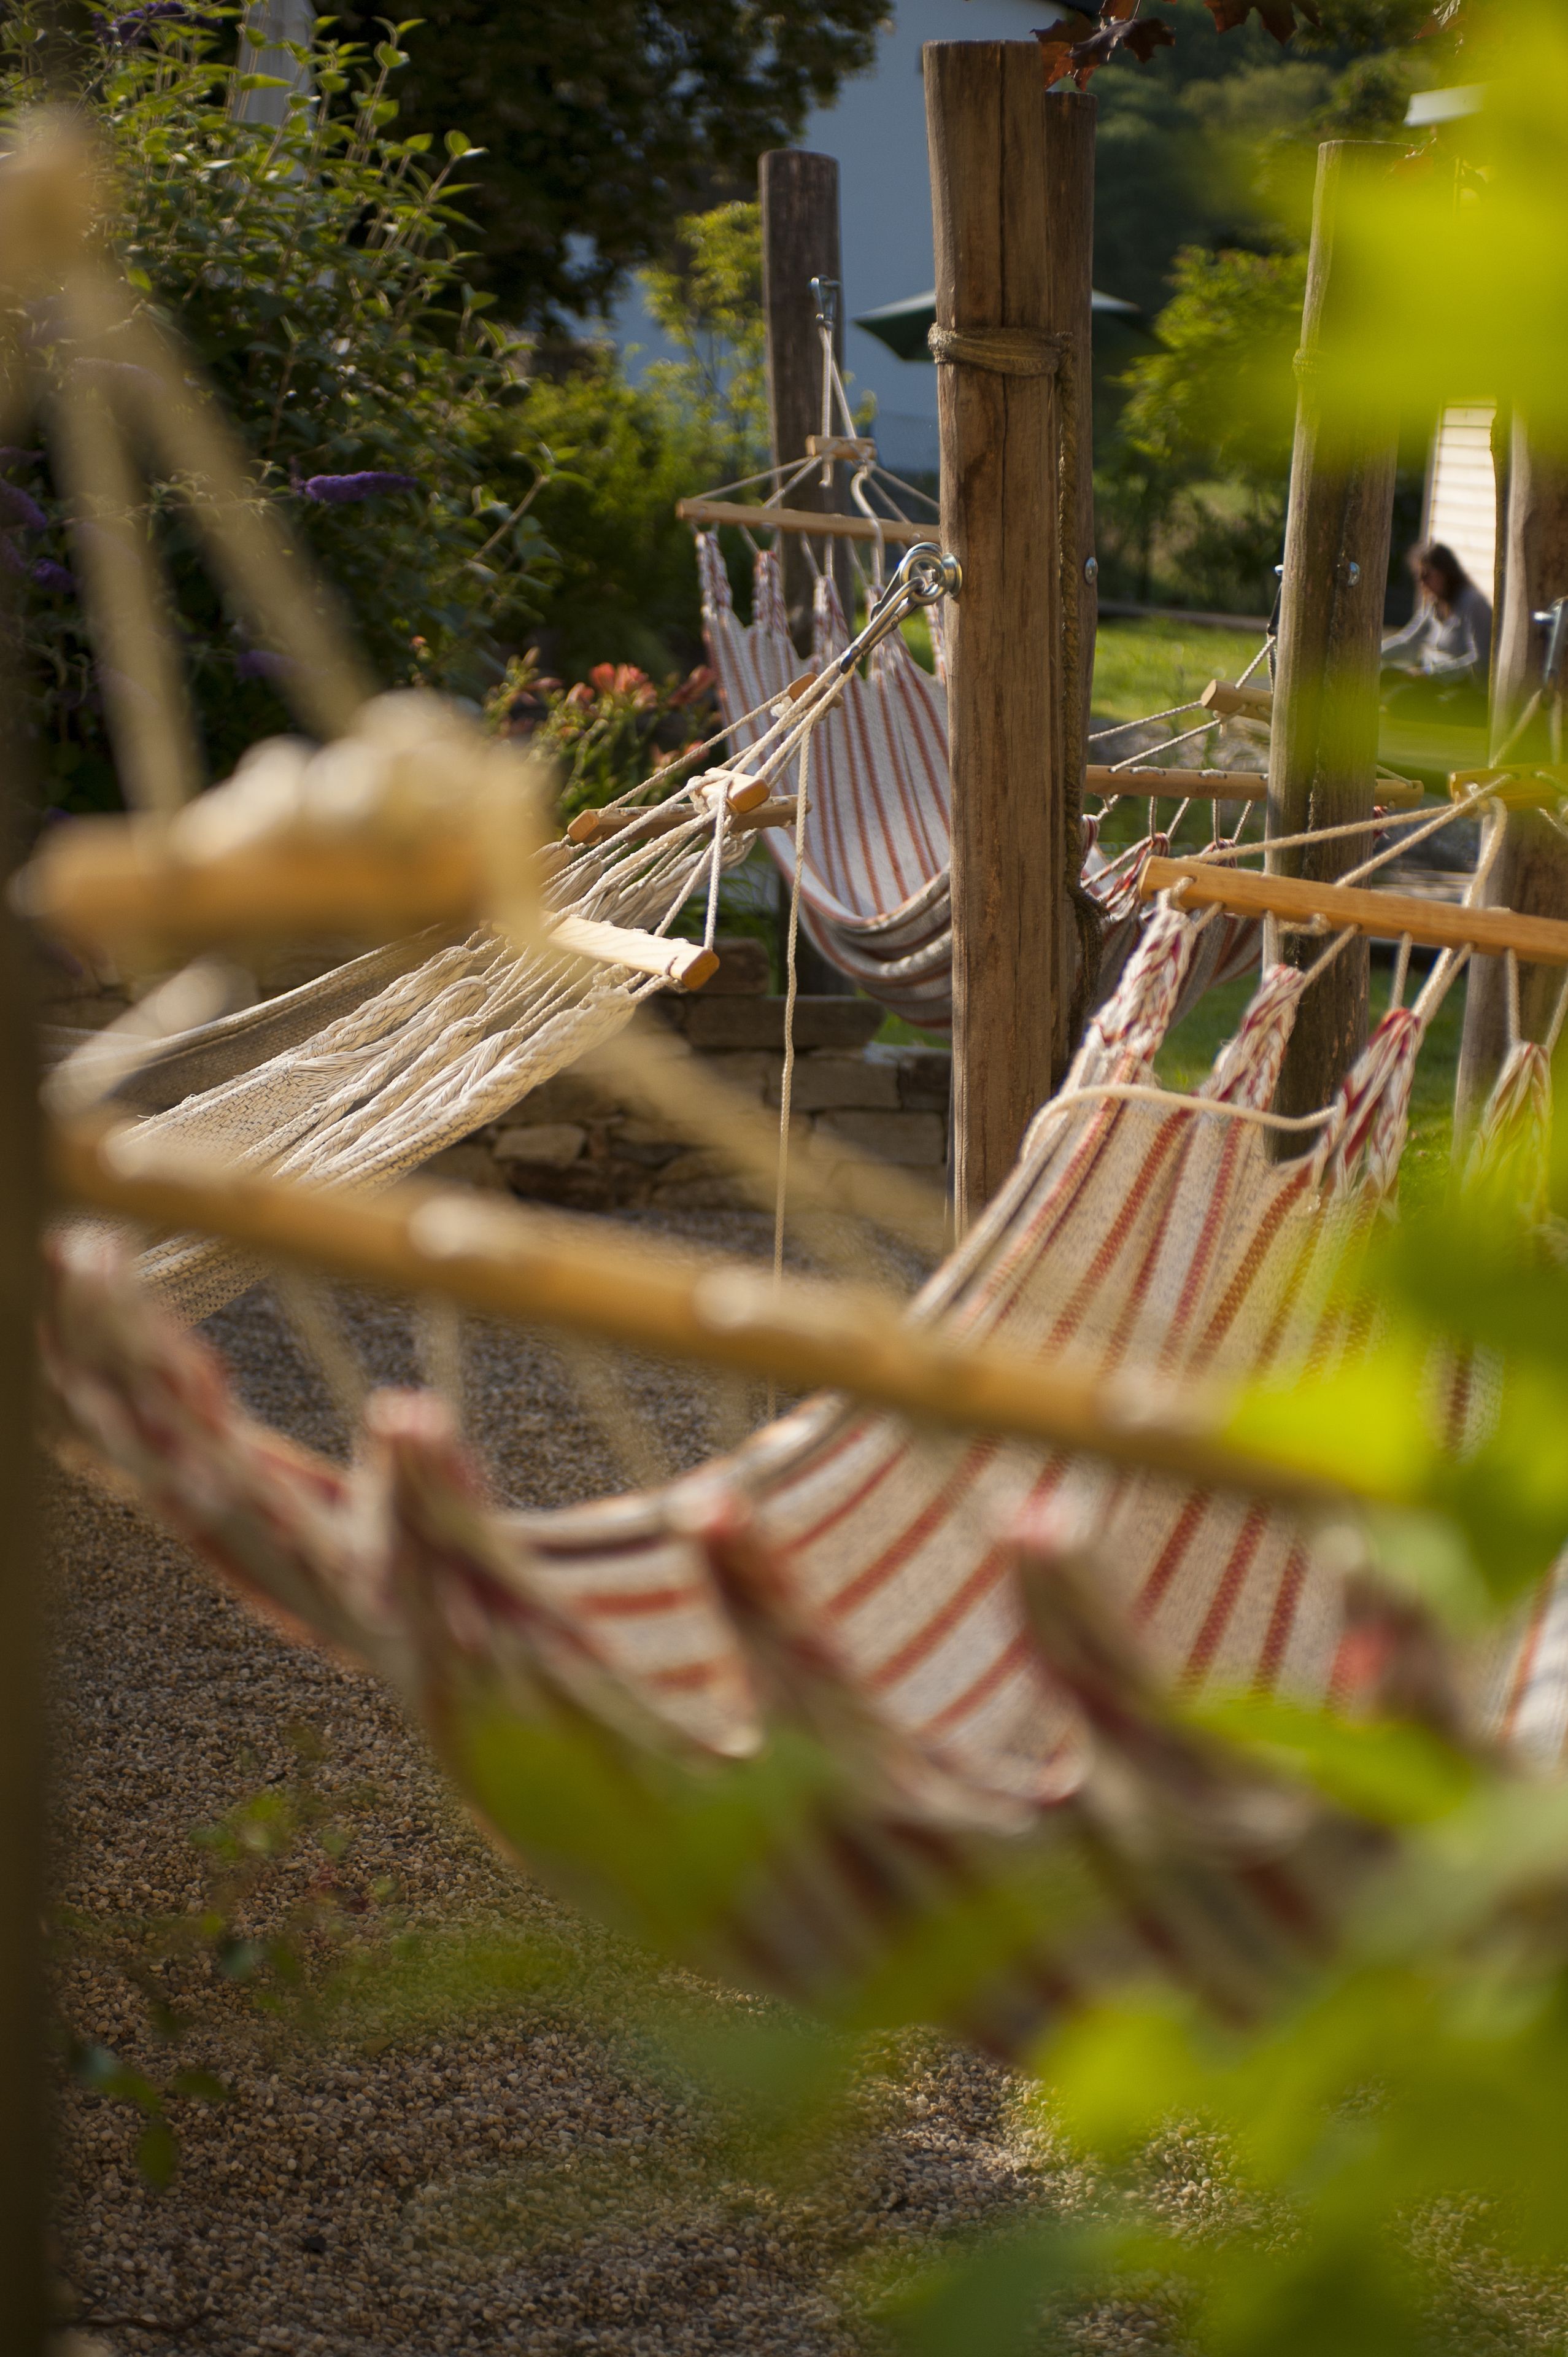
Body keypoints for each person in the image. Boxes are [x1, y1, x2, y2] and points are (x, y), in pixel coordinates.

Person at [1381, 541, 1493, 703]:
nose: (1421, 582)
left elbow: (1480, 662)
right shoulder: (1433, 604)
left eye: (1426, 575)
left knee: (1399, 701)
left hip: (1460, 689)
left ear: (1445, 573)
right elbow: (1409, 641)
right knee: (1383, 676)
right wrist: (1373, 654)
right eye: (1417, 577)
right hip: (1430, 681)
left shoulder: (1473, 604)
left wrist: (1430, 673)